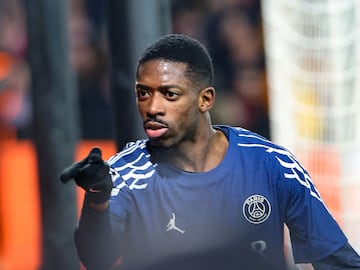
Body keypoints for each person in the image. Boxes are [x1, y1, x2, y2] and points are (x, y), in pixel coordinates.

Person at [60, 34, 360, 270]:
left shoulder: (271, 164)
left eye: (170, 94)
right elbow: (97, 259)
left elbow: (336, 261)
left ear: (205, 99)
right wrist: (97, 200)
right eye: (143, 93)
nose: (152, 108)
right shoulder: (125, 173)